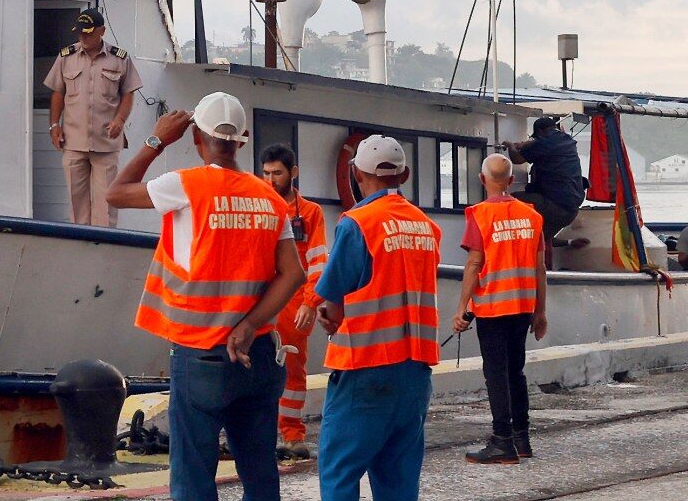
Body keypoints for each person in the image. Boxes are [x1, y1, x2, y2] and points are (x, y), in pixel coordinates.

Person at [106, 92, 302, 501]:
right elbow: (293, 274)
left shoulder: (186, 185)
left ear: (197, 135)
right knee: (260, 473)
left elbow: (115, 193)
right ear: (242, 140)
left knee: (194, 478)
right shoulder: (271, 199)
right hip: (258, 352)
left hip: (201, 356)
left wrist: (156, 140)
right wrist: (248, 325)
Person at [315, 136, 441, 501]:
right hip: (415, 373)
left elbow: (334, 304)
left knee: (340, 471)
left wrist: (327, 315)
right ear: (405, 174)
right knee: (399, 482)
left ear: (356, 172)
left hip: (365, 371)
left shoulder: (357, 224)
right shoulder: (427, 227)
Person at [453, 153, 549, 464]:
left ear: (482, 180)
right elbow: (540, 269)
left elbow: (474, 265)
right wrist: (540, 312)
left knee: (495, 373)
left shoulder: (479, 215)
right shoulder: (532, 216)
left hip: (493, 307)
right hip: (522, 306)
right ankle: (522, 438)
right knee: (515, 371)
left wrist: (461, 307)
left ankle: (501, 440)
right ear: (511, 181)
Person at [258, 144, 329, 456]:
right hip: (259, 298)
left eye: (277, 173)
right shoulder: (258, 208)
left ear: (293, 173)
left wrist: (310, 303)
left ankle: (292, 434)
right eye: (265, 173)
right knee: (252, 365)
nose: (271, 179)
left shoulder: (311, 214)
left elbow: (318, 263)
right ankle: (256, 431)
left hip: (294, 302)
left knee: (292, 367)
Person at [43, 8, 141, 227]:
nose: (83, 37)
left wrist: (120, 121)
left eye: (88, 32)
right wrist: (53, 126)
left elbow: (128, 93)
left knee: (106, 204)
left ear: (102, 31)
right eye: (80, 33)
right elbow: (58, 92)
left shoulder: (119, 59)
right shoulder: (66, 57)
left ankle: (104, 249)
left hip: (106, 142)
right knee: (76, 205)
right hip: (73, 141)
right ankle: (80, 249)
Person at [507, 116, 585, 243]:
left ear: (541, 131)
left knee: (509, 199)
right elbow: (539, 143)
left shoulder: (543, 143)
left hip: (554, 205)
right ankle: (567, 242)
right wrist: (569, 242)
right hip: (571, 211)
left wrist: (511, 145)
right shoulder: (568, 140)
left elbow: (517, 159)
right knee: (540, 239)